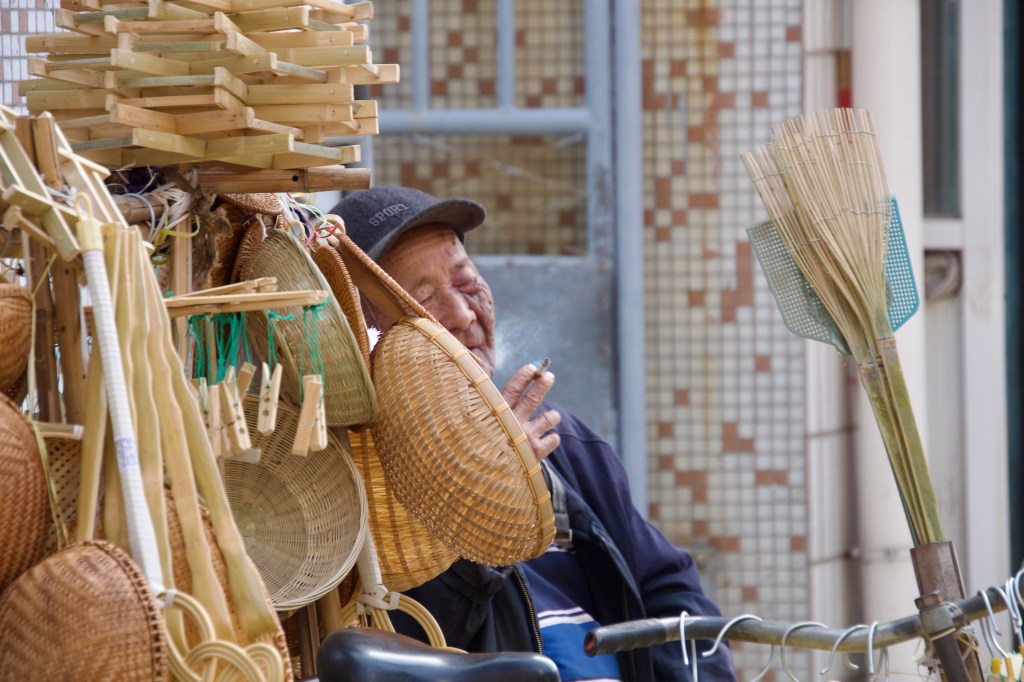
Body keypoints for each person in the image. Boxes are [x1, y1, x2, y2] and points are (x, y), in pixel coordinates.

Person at [331, 185, 736, 682]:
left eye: (465, 282)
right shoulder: (355, 491)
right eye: (424, 302)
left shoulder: (565, 446)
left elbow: (668, 589)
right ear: (365, 338)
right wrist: (481, 492)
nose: (462, 314)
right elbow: (411, 644)